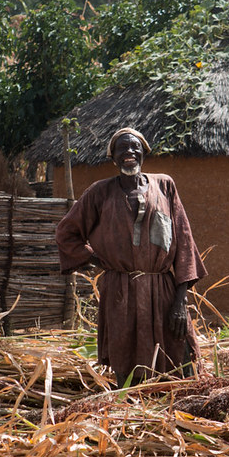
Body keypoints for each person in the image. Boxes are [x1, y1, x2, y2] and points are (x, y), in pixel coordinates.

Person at [56, 128, 206, 388]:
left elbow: (184, 241)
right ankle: (130, 406)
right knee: (126, 354)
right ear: (113, 158)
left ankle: (175, 401)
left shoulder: (164, 186)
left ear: (144, 153)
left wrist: (180, 302)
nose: (129, 153)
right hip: (120, 291)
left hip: (162, 291)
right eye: (121, 149)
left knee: (178, 353)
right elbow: (66, 232)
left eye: (134, 147)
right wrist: (96, 260)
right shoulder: (99, 193)